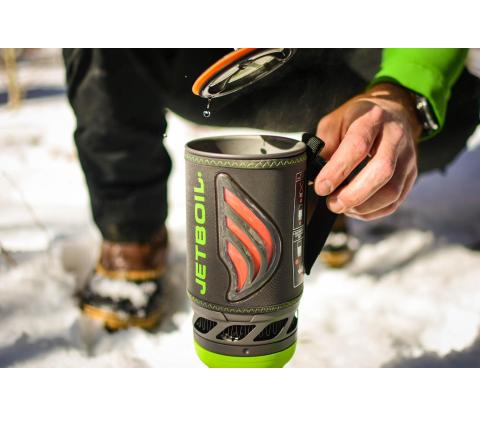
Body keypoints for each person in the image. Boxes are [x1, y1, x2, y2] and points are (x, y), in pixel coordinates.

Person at [63, 48, 480, 330]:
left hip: (371, 65)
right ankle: (131, 236)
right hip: (219, 63)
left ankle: (327, 184)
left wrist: (402, 93)